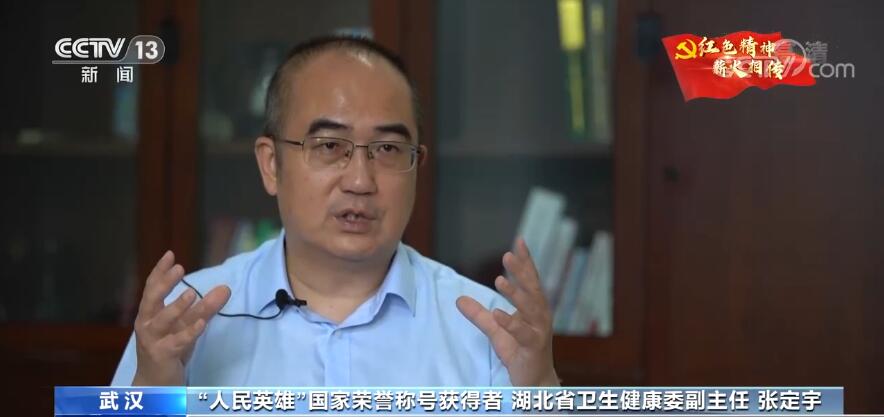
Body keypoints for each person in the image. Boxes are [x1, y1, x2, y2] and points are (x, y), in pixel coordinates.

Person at [111, 36, 558, 387]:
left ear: (417, 166)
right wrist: (153, 390)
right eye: (329, 146)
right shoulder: (182, 321)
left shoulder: (489, 328)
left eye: (388, 148)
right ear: (271, 164)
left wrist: (539, 391)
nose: (360, 181)